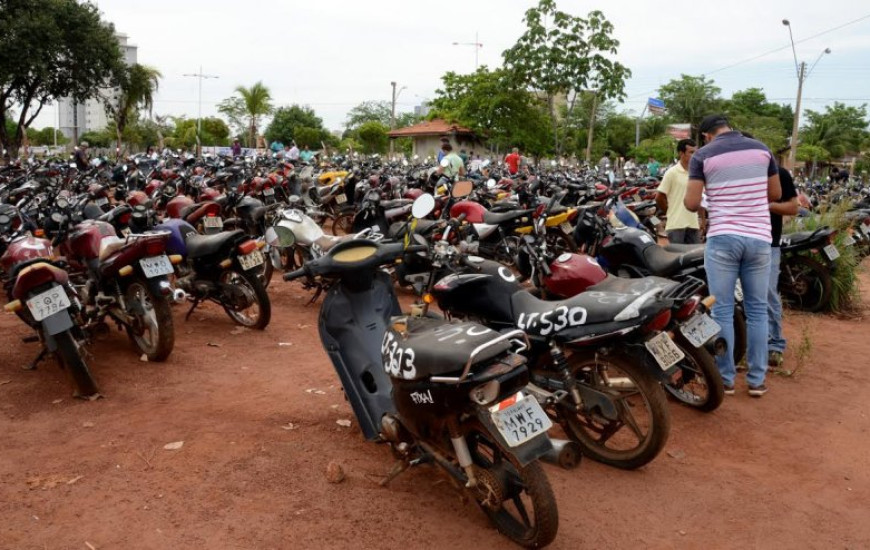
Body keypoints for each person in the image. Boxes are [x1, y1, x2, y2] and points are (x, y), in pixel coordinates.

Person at [684, 114, 781, 397]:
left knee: (723, 309)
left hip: (723, 237)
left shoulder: (703, 155)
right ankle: (757, 380)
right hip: (760, 238)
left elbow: (691, 203)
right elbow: (774, 193)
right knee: (757, 309)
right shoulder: (762, 149)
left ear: (706, 135)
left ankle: (725, 378)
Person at [768, 160, 799, 369]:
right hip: (732, 246)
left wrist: (768, 206)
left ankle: (775, 345)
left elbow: (793, 207)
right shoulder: (732, 174)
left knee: (768, 294)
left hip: (769, 244)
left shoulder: (779, 173)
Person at [656, 139, 701, 244]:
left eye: (695, 152)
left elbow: (700, 197)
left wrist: (702, 220)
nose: (694, 155)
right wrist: (670, 212)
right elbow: (659, 197)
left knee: (695, 258)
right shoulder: (672, 173)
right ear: (681, 153)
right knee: (678, 258)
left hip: (693, 224)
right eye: (691, 152)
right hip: (676, 226)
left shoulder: (696, 173)